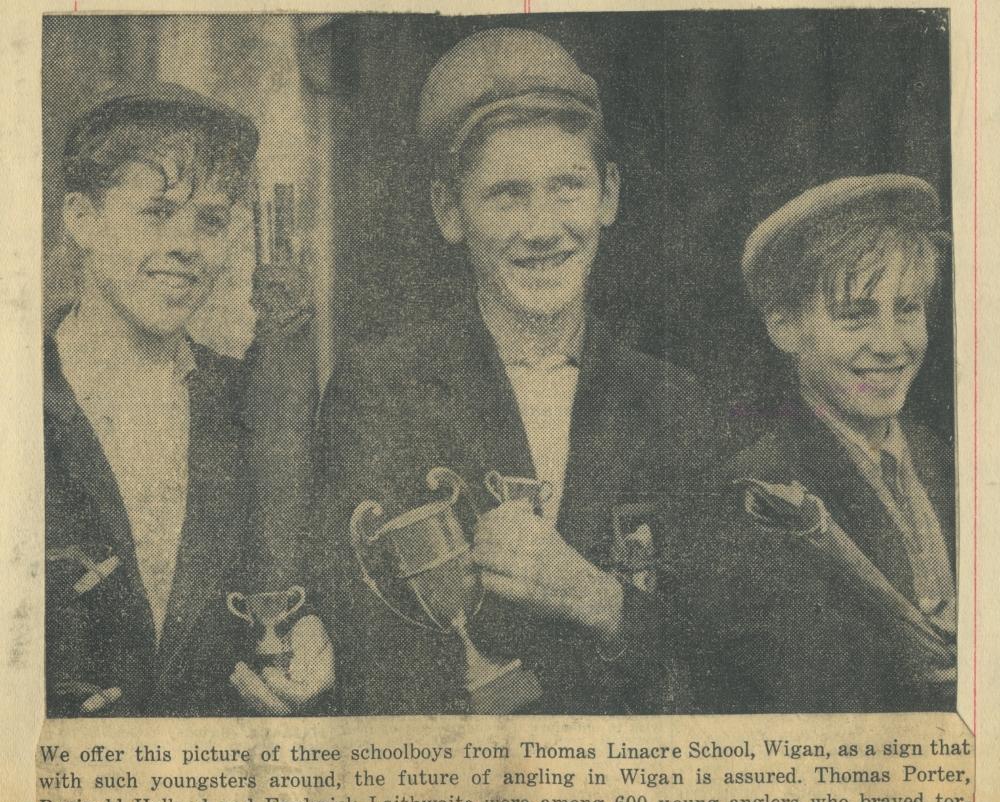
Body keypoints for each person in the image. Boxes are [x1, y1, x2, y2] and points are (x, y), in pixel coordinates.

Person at [315, 28, 718, 714]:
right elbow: (360, 649)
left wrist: (595, 596)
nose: (542, 227)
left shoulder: (676, 404)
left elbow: (724, 660)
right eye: (506, 195)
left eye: (567, 186)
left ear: (608, 195)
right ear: (450, 211)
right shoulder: (379, 390)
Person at [45, 81, 334, 716]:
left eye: (212, 219)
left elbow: (285, 580)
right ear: (80, 219)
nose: (188, 245)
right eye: (158, 211)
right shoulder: (25, 394)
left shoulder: (246, 401)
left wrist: (308, 633)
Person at [670, 174, 956, 713]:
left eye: (908, 308)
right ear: (783, 327)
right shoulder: (754, 495)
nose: (891, 344)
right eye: (855, 315)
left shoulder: (944, 461)